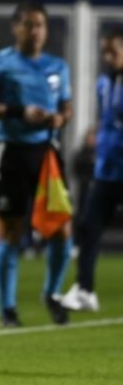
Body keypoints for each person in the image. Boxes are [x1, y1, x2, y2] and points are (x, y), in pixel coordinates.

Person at [0, 1, 73, 327]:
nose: (35, 31)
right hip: (12, 151)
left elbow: (67, 107)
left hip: (47, 154)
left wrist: (60, 118)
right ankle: (8, 310)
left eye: (40, 25)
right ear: (16, 27)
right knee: (11, 232)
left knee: (61, 230)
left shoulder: (58, 67)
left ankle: (52, 294)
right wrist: (19, 112)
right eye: (28, 24)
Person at [61, 29, 123, 312]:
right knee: (88, 227)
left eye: (113, 51)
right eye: (105, 52)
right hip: (107, 171)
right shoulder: (102, 84)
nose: (108, 57)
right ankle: (85, 290)